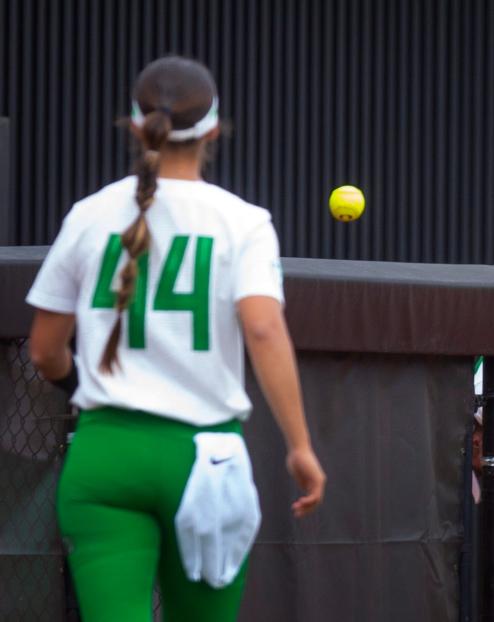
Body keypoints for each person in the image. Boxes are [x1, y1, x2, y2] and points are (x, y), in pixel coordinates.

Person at [26, 56, 327, 622]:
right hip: (205, 457)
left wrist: (83, 389)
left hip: (105, 453)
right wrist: (300, 446)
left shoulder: (89, 216)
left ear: (136, 125)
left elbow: (44, 350)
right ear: (213, 129)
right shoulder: (242, 222)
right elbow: (263, 328)